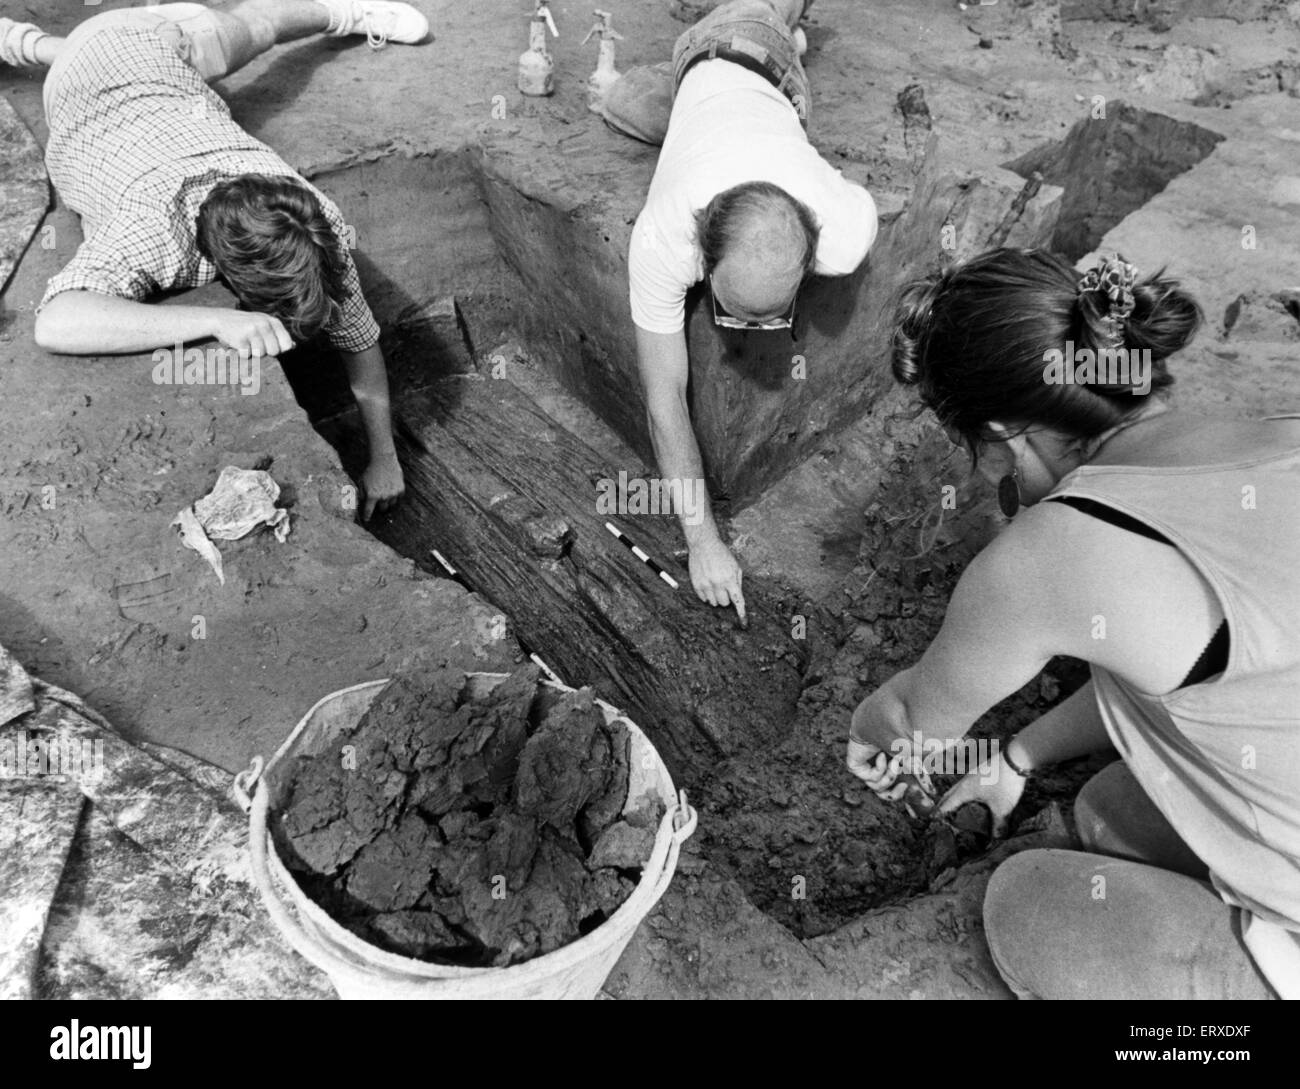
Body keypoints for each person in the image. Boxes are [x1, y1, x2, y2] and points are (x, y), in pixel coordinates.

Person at [846, 247, 1300, 1000]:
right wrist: (1016, 758)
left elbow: (908, 719)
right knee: (1107, 807)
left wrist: (869, 728)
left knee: (1030, 907)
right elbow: (1215, 674)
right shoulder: (1271, 434)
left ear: (1003, 428)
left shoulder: (1057, 548)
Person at [1, 1, 431, 520]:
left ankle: (340, 12)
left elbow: (359, 338)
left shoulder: (307, 214)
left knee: (243, 29)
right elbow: (56, 322)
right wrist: (215, 319)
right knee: (94, 50)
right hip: (102, 69)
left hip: (162, 50)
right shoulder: (150, 229)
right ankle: (20, 42)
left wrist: (385, 457)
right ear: (224, 270)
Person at [608, 0, 878, 622]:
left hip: (752, 80)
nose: (751, 336)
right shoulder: (663, 235)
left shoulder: (841, 232)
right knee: (627, 104)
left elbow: (854, 198)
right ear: (703, 249)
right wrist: (702, 540)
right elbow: (663, 395)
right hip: (717, 56)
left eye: (771, 315)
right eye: (733, 311)